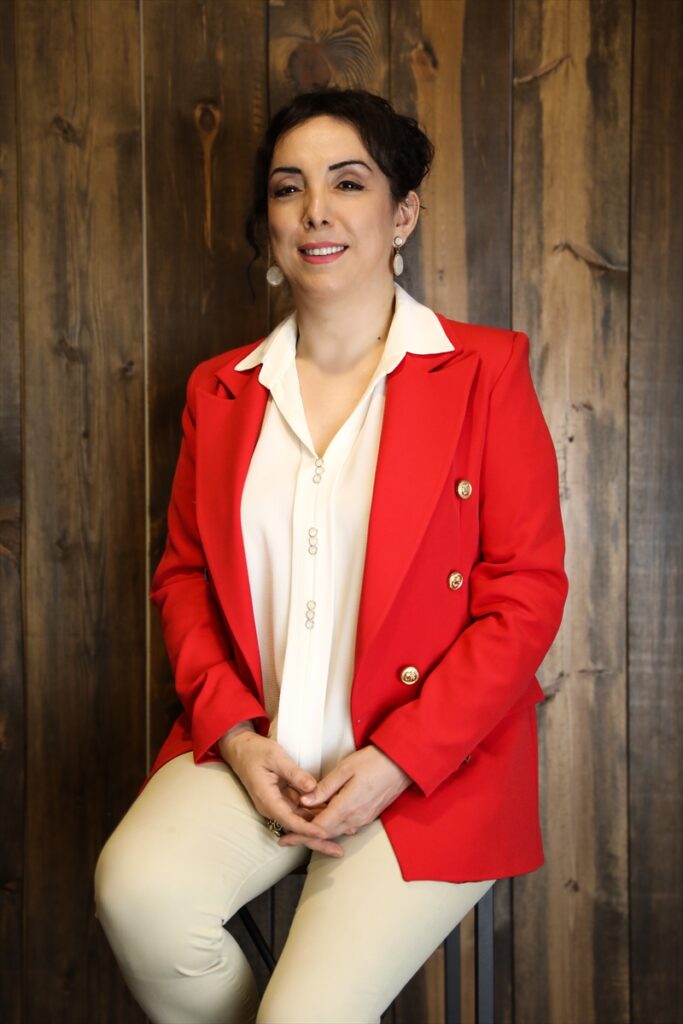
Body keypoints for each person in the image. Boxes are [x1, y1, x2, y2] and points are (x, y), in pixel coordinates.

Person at [94, 88, 568, 1024]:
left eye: (347, 183)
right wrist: (235, 736)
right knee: (137, 898)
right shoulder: (219, 391)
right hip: (259, 752)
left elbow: (526, 593)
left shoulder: (485, 372)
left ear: (401, 214)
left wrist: (398, 758)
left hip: (428, 766)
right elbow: (183, 579)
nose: (314, 210)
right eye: (288, 188)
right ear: (269, 225)